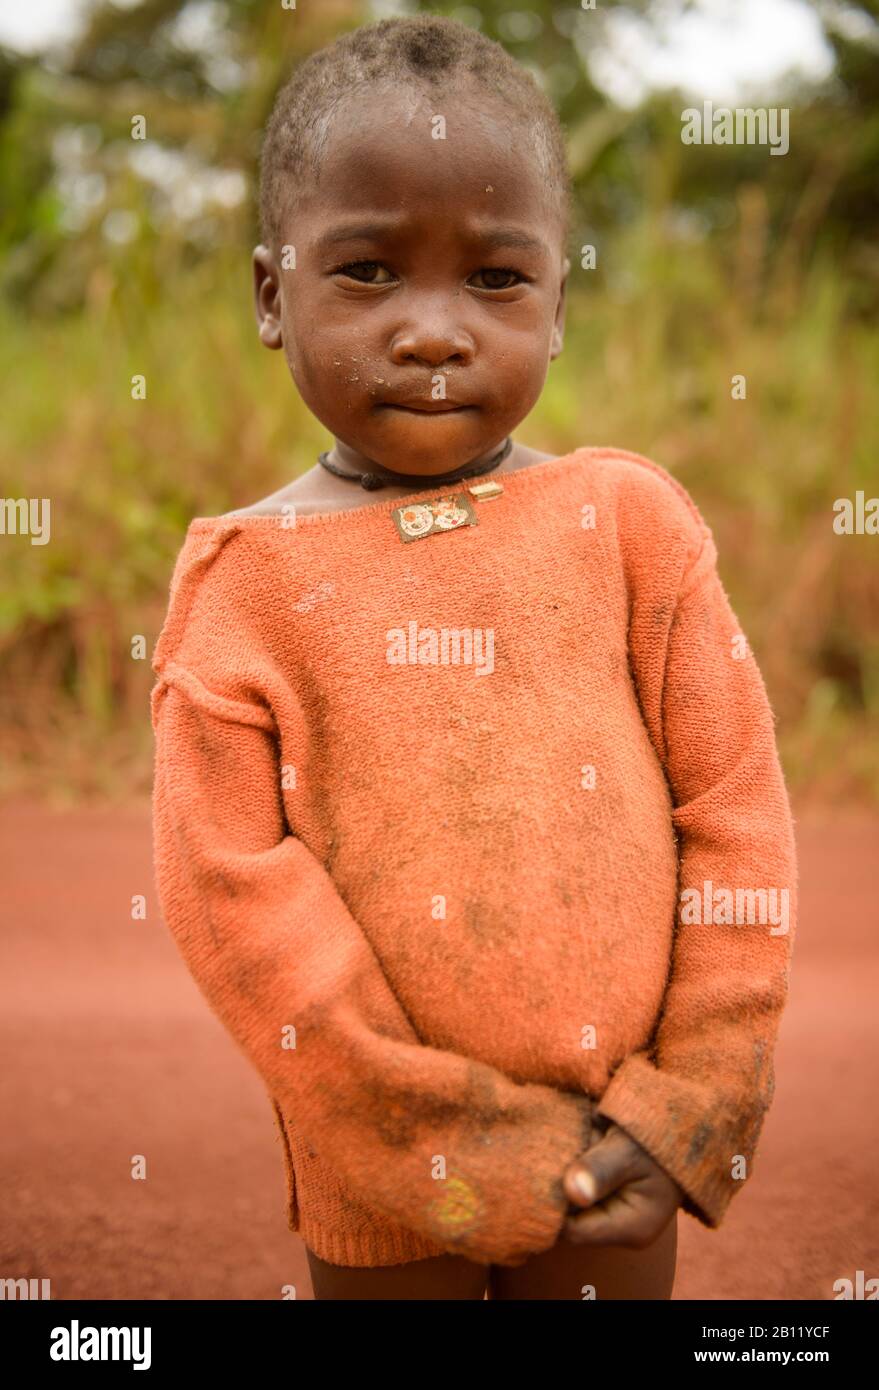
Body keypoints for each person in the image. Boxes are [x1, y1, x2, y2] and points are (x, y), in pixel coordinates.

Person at [149, 15, 796, 1301]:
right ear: (274, 296)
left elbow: (735, 817)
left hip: (620, 1149)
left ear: (560, 306)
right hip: (384, 1168)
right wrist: (434, 1133)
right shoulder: (244, 587)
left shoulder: (630, 530)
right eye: (371, 271)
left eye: (497, 279)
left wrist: (690, 1108)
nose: (435, 332)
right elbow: (233, 900)